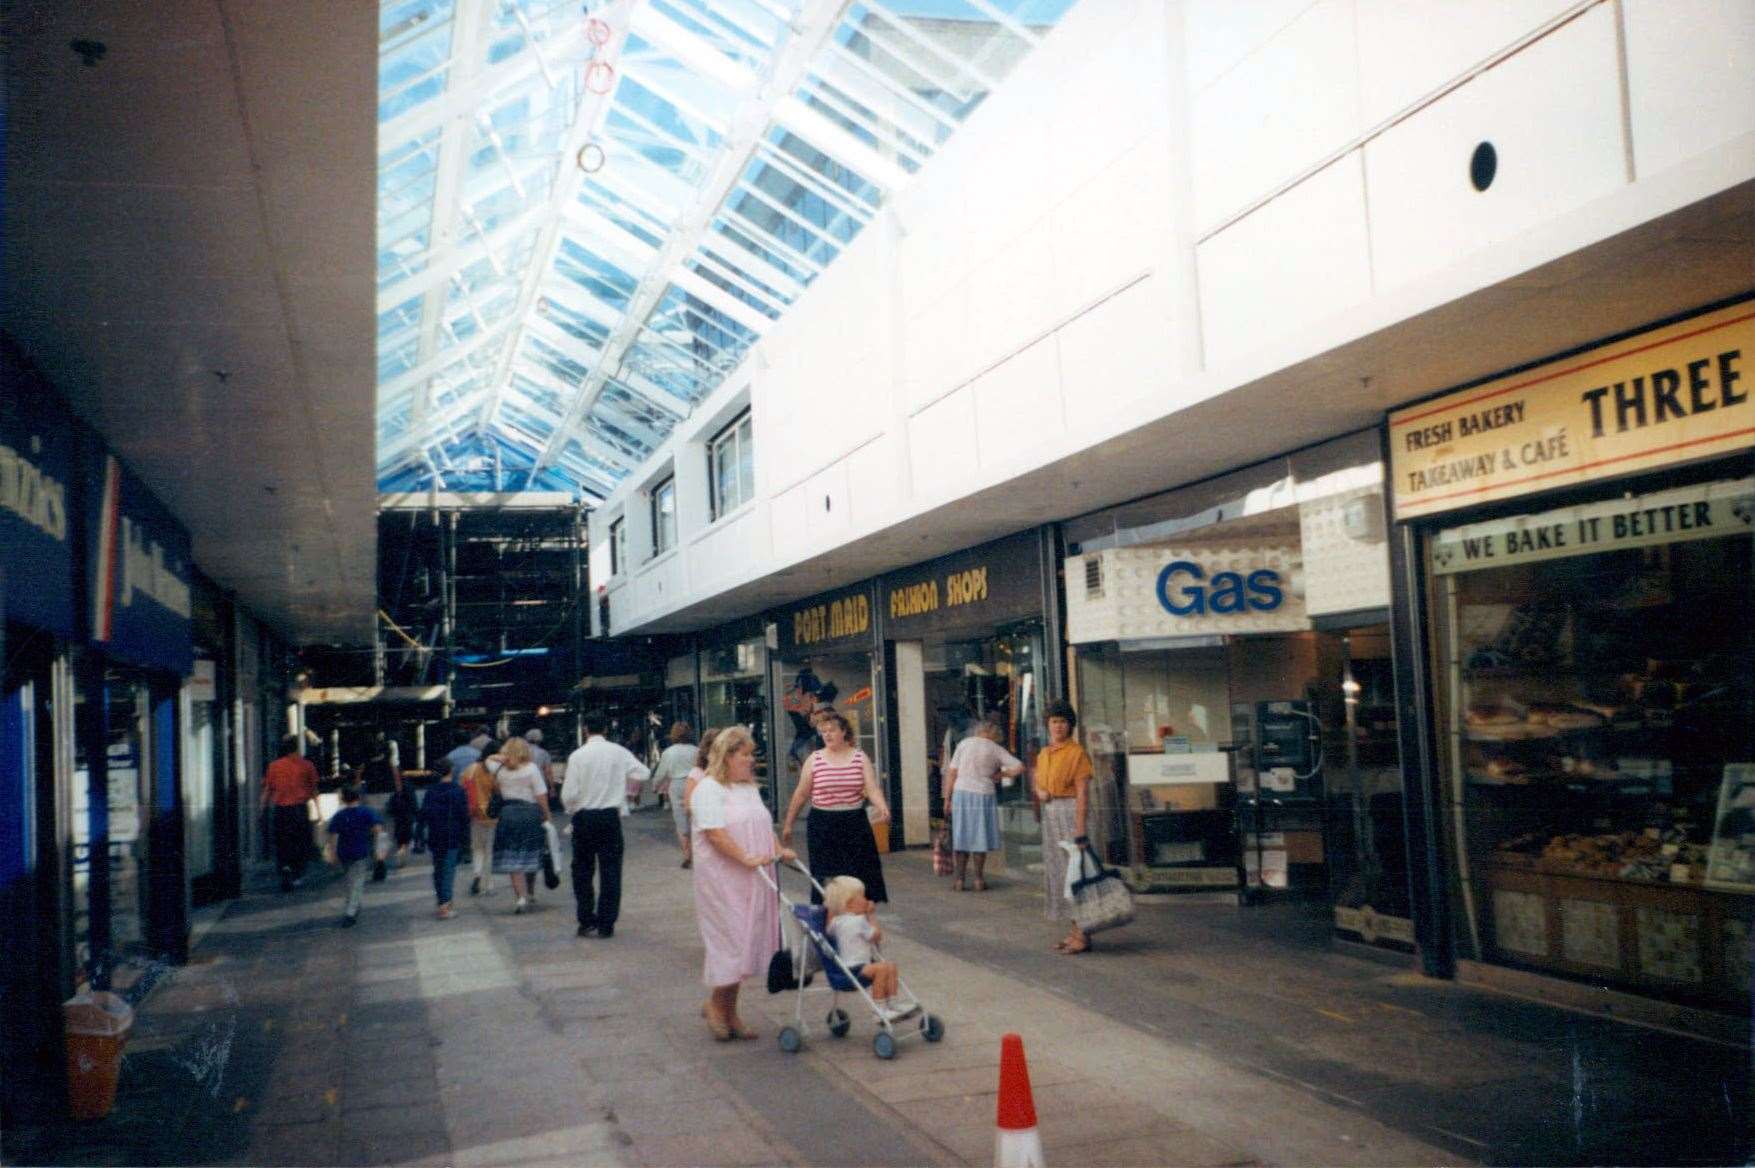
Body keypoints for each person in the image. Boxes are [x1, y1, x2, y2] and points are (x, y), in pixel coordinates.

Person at [691, 726, 795, 1040]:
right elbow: (715, 834)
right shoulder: (709, 789)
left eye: (751, 754)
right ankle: (715, 1006)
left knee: (747, 943)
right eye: (745, 755)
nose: (751, 760)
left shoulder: (748, 788)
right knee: (731, 944)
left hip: (754, 877)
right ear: (727, 756)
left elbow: (762, 824)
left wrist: (777, 849)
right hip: (723, 880)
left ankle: (729, 1011)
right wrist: (746, 857)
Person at [780, 712, 890, 905]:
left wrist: (882, 806)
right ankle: (826, 922)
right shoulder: (814, 759)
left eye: (832, 730)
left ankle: (857, 920)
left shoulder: (859, 757)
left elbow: (871, 788)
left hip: (854, 823)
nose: (827, 735)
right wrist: (788, 824)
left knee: (858, 875)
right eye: (823, 731)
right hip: (823, 824)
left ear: (844, 731)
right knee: (825, 877)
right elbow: (801, 794)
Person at [561, 714, 649, 938]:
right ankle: (606, 922)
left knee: (582, 870)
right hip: (610, 817)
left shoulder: (577, 756)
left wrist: (573, 807)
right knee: (611, 870)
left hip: (584, 817)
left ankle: (586, 919)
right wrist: (624, 788)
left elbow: (568, 794)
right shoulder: (618, 752)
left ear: (585, 728)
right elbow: (643, 772)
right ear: (607, 730)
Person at [1036, 700, 1095, 955]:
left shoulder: (1077, 753)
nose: (1058, 726)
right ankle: (1074, 931)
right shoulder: (1044, 753)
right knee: (1061, 874)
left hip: (1071, 814)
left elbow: (1083, 793)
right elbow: (1038, 783)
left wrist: (1080, 829)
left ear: (1069, 724)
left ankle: (1083, 933)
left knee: (1077, 875)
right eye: (1053, 721)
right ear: (1047, 725)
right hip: (1051, 816)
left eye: (1062, 721)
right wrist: (1040, 793)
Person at [943, 715, 1024, 891]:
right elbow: (1019, 766)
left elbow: (952, 773)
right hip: (983, 794)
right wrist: (1000, 776)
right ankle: (979, 879)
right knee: (980, 837)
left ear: (978, 730)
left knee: (961, 836)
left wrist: (947, 799)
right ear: (994, 734)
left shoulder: (964, 744)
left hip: (961, 793)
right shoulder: (995, 748)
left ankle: (959, 880)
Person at [822, 875, 903, 1016]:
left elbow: (828, 928)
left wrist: (830, 907)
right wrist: (871, 915)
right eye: (862, 897)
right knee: (886, 968)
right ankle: (882, 1007)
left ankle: (889, 1005)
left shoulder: (837, 922)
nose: (867, 900)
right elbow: (876, 936)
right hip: (856, 968)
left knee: (887, 967)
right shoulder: (859, 921)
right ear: (849, 904)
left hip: (847, 968)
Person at [491, 737, 551, 913]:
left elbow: (496, 790)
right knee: (531, 852)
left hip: (508, 814)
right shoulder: (532, 769)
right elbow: (541, 795)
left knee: (513, 856)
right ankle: (530, 891)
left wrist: (501, 758)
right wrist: (546, 816)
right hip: (530, 813)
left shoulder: (500, 770)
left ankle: (521, 897)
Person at [261, 734, 319, 892]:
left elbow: (267, 790)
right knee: (300, 842)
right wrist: (319, 811)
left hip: (281, 810)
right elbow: (314, 790)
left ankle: (285, 868)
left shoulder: (274, 766)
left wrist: (262, 808)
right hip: (300, 808)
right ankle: (297, 875)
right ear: (297, 747)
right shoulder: (307, 765)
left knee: (282, 842)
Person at [420, 758, 471, 919]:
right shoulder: (458, 790)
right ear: (451, 771)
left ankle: (441, 900)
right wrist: (466, 838)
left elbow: (424, 814)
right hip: (453, 834)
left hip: (435, 834)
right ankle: (445, 904)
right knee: (448, 870)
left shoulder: (431, 791)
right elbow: (464, 816)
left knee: (438, 869)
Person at [326, 784, 383, 928]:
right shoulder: (366, 812)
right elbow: (377, 828)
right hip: (361, 851)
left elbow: (332, 835)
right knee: (357, 882)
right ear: (358, 797)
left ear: (343, 799)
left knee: (350, 880)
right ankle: (350, 912)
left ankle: (354, 907)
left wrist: (332, 854)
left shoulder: (339, 816)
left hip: (344, 852)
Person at [652, 722, 698, 868]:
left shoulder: (668, 752)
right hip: (695, 783)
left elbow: (661, 773)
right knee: (696, 817)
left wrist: (655, 786)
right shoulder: (696, 750)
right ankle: (699, 852)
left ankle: (687, 855)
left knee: (680, 820)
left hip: (677, 785)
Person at [461, 745, 498, 896]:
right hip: (493, 815)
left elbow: (463, 788)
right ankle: (488, 884)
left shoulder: (471, 769)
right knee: (490, 851)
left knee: (477, 849)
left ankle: (477, 875)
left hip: (475, 814)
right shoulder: (495, 771)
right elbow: (499, 790)